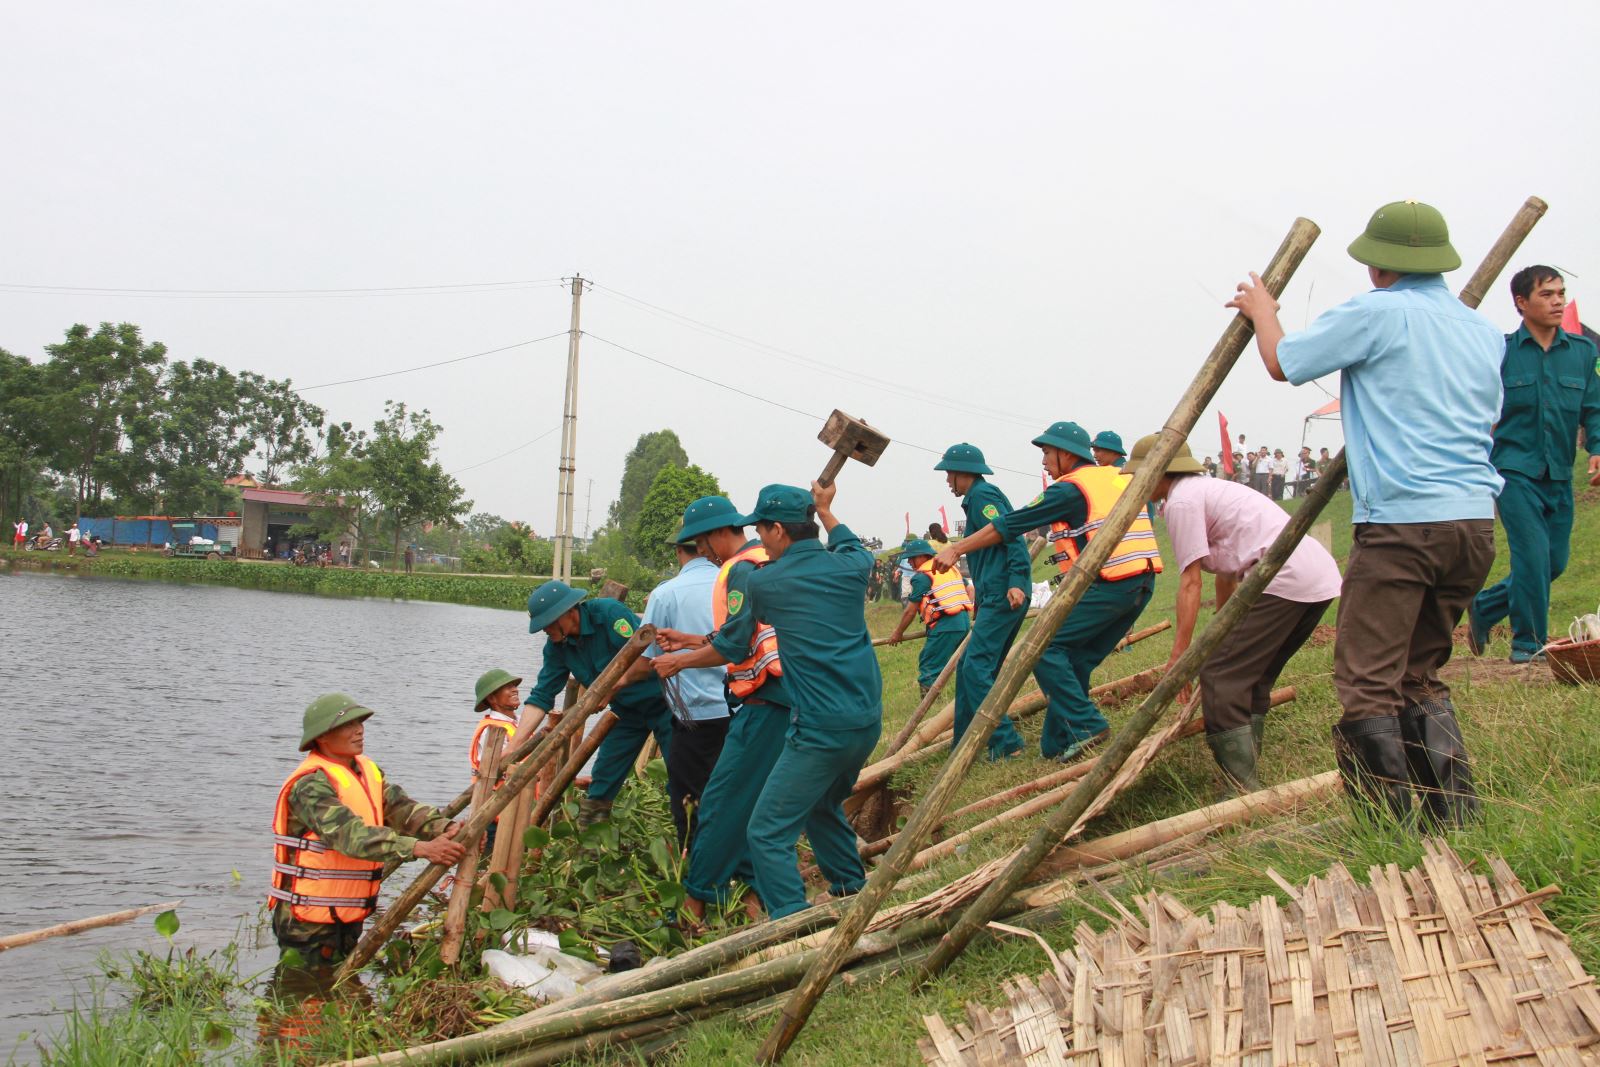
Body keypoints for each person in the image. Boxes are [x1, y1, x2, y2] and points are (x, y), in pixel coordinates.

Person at [1227, 198, 1500, 827]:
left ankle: (1388, 832)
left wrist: (1264, 312)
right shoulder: (1481, 330)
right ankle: (1453, 819)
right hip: (1473, 523)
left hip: (1404, 523)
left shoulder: (1377, 312)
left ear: (1378, 266)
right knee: (1419, 672)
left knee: (1366, 681)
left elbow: (1283, 362)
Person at [1126, 435, 1341, 792]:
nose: (1134, 483)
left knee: (1221, 676)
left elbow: (1191, 583)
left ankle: (1242, 789)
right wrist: (1225, 629)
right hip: (1315, 578)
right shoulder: (1207, 490)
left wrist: (1179, 657)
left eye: (1138, 475)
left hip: (1284, 578)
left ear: (1158, 471)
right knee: (1252, 674)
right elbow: (1226, 572)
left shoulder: (1181, 502)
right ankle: (1248, 771)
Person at [936, 423, 1162, 761]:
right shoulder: (1114, 478)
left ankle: (1086, 724)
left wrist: (957, 549)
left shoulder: (1070, 489)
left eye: (1046, 453)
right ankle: (1058, 742)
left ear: (1067, 454)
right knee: (1076, 659)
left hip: (1111, 583)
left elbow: (1009, 526)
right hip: (1142, 582)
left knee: (1041, 650)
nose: (1043, 462)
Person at [722, 482, 880, 918]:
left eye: (761, 530)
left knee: (767, 831)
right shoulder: (852, 567)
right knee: (822, 805)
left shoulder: (766, 582)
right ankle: (850, 888)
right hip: (865, 722)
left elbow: (737, 644)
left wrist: (687, 652)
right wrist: (828, 510)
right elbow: (851, 545)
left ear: (777, 530)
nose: (759, 540)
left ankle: (790, 922)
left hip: (818, 728)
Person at [651, 495, 793, 924]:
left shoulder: (738, 569)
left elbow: (733, 644)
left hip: (768, 699)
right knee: (754, 804)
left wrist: (677, 661)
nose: (704, 553)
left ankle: (696, 903)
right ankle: (756, 901)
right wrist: (691, 640)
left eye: (703, 543)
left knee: (718, 801)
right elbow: (740, 634)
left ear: (716, 536)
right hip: (789, 694)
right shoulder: (766, 560)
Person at [270, 693, 465, 965]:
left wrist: (446, 828)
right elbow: (351, 837)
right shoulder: (311, 785)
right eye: (347, 725)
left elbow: (401, 809)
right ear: (322, 737)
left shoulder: (367, 771)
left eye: (360, 723)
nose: (359, 730)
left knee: (338, 984)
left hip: (347, 912)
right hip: (306, 922)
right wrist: (421, 848)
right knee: (301, 993)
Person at [1469, 266, 1600, 663]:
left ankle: (1486, 607)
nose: (1557, 301)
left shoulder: (1583, 352)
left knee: (1553, 563)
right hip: (1513, 471)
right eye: (1547, 294)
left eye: (1560, 293)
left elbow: (1594, 408)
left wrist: (1596, 447)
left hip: (1559, 473)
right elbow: (1478, 407)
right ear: (1521, 303)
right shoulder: (1501, 351)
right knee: (1531, 557)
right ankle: (1528, 645)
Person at [522, 581, 673, 827]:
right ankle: (589, 849)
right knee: (603, 780)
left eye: (548, 623)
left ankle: (683, 847)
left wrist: (610, 687)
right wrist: (516, 744)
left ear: (568, 613)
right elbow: (541, 696)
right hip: (626, 714)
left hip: (665, 705)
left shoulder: (609, 614)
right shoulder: (557, 648)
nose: (545, 631)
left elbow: (645, 657)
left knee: (680, 776)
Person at [929, 443, 1028, 759]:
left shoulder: (983, 498)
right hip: (993, 595)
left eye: (949, 474)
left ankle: (1004, 742)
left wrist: (1016, 581)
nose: (947, 482)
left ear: (963, 474)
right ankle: (964, 745)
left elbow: (1012, 535)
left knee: (975, 668)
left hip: (1004, 593)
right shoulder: (975, 500)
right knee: (971, 668)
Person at [627, 539, 728, 849]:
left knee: (688, 794)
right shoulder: (732, 582)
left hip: (696, 714)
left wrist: (613, 685)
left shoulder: (665, 594)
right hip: (740, 706)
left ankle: (697, 863)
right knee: (730, 789)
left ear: (679, 551)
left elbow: (644, 663)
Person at [884, 537, 973, 696]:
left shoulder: (923, 576)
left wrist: (898, 633)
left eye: (911, 558)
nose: (909, 562)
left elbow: (910, 611)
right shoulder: (950, 568)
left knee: (930, 666)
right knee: (960, 664)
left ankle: (929, 706)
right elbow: (970, 589)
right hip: (964, 622)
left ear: (922, 556)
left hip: (946, 626)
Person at [469, 668, 521, 851]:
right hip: (496, 814)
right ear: (492, 698)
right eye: (507, 687)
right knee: (490, 868)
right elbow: (489, 769)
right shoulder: (490, 729)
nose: (515, 689)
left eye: (514, 685)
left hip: (519, 809)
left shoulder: (519, 723)